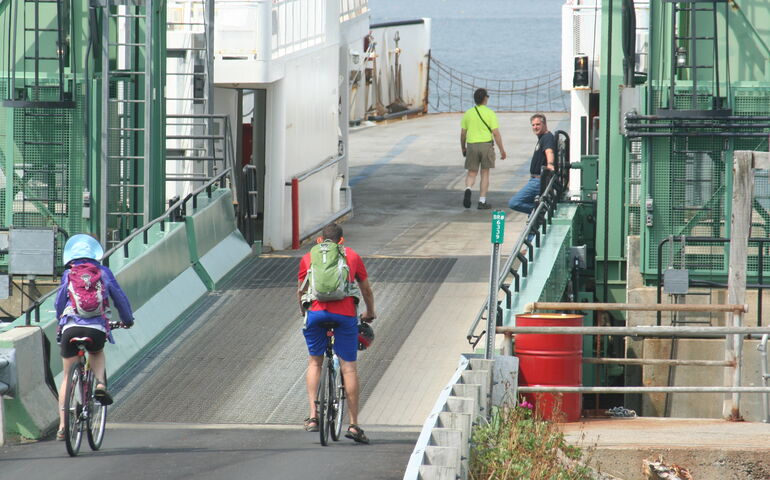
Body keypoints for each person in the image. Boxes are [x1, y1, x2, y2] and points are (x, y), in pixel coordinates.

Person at [297, 223, 376, 444]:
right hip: (345, 315)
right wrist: (370, 312)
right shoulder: (352, 256)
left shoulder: (308, 257)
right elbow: (366, 290)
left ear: (320, 241)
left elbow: (301, 290)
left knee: (315, 363)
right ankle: (353, 425)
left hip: (315, 314)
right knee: (348, 367)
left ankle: (313, 417)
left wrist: (305, 312)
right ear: (341, 241)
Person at [54, 234, 134, 440]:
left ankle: (63, 426)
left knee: (66, 377)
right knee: (96, 352)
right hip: (96, 329)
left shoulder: (68, 274)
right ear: (95, 255)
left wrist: (60, 320)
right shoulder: (103, 273)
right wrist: (127, 320)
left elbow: (58, 303)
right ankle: (99, 384)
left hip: (70, 328)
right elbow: (120, 298)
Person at [460, 88, 507, 210]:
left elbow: (463, 133)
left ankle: (468, 189)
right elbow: (496, 133)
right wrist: (502, 149)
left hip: (471, 145)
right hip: (486, 145)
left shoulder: (468, 113)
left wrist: (463, 147)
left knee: (472, 172)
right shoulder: (490, 113)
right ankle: (482, 201)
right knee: (485, 173)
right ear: (485, 98)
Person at [508, 113, 556, 214]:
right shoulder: (542, 138)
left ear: (544, 124)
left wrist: (550, 164)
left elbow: (549, 151)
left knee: (514, 202)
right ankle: (538, 213)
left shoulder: (547, 137)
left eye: (538, 124)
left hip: (538, 181)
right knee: (531, 203)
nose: (535, 127)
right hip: (534, 179)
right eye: (533, 125)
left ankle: (542, 212)